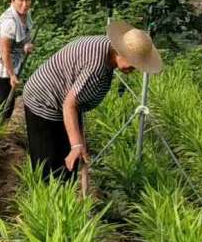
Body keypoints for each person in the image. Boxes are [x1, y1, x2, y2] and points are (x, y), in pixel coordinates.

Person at [22, 19, 162, 180]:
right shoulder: (96, 67)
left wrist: (79, 143)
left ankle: (66, 193)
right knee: (49, 167)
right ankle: (47, 198)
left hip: (64, 101)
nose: (134, 68)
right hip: (43, 101)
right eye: (133, 62)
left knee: (70, 163)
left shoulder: (106, 48)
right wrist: (76, 145)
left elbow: (76, 101)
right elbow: (69, 105)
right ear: (119, 51)